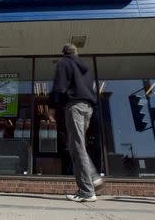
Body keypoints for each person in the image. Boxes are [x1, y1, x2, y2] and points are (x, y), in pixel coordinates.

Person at [48, 43, 102, 202]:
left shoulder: (64, 62)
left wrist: (51, 107)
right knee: (75, 145)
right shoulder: (85, 68)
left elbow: (59, 86)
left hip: (75, 107)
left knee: (77, 146)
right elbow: (90, 90)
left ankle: (86, 191)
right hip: (88, 108)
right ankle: (92, 177)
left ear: (64, 53)